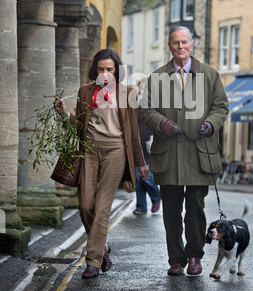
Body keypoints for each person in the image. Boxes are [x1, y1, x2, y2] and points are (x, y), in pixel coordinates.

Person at [140, 26, 229, 276]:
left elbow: (221, 107)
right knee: (170, 210)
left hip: (201, 155)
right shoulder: (157, 77)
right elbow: (145, 110)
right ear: (169, 46)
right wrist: (162, 122)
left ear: (192, 45)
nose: (181, 46)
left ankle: (194, 256)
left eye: (185, 42)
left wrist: (211, 124)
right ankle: (176, 259)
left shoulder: (210, 75)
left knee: (195, 208)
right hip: (168, 156)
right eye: (176, 42)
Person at [55, 48, 148, 278]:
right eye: (101, 69)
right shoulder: (85, 91)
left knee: (103, 205)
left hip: (116, 151)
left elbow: (134, 132)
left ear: (116, 71)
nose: (105, 73)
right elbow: (78, 125)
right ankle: (102, 248)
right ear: (94, 70)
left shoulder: (128, 93)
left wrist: (141, 163)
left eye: (109, 69)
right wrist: (64, 114)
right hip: (88, 149)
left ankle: (93, 260)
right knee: (86, 204)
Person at [133, 79, 161, 215]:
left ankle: (156, 197)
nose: (142, 92)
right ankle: (141, 206)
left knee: (147, 176)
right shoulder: (135, 106)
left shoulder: (155, 106)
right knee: (138, 178)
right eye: (140, 89)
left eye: (145, 90)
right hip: (137, 145)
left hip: (149, 144)